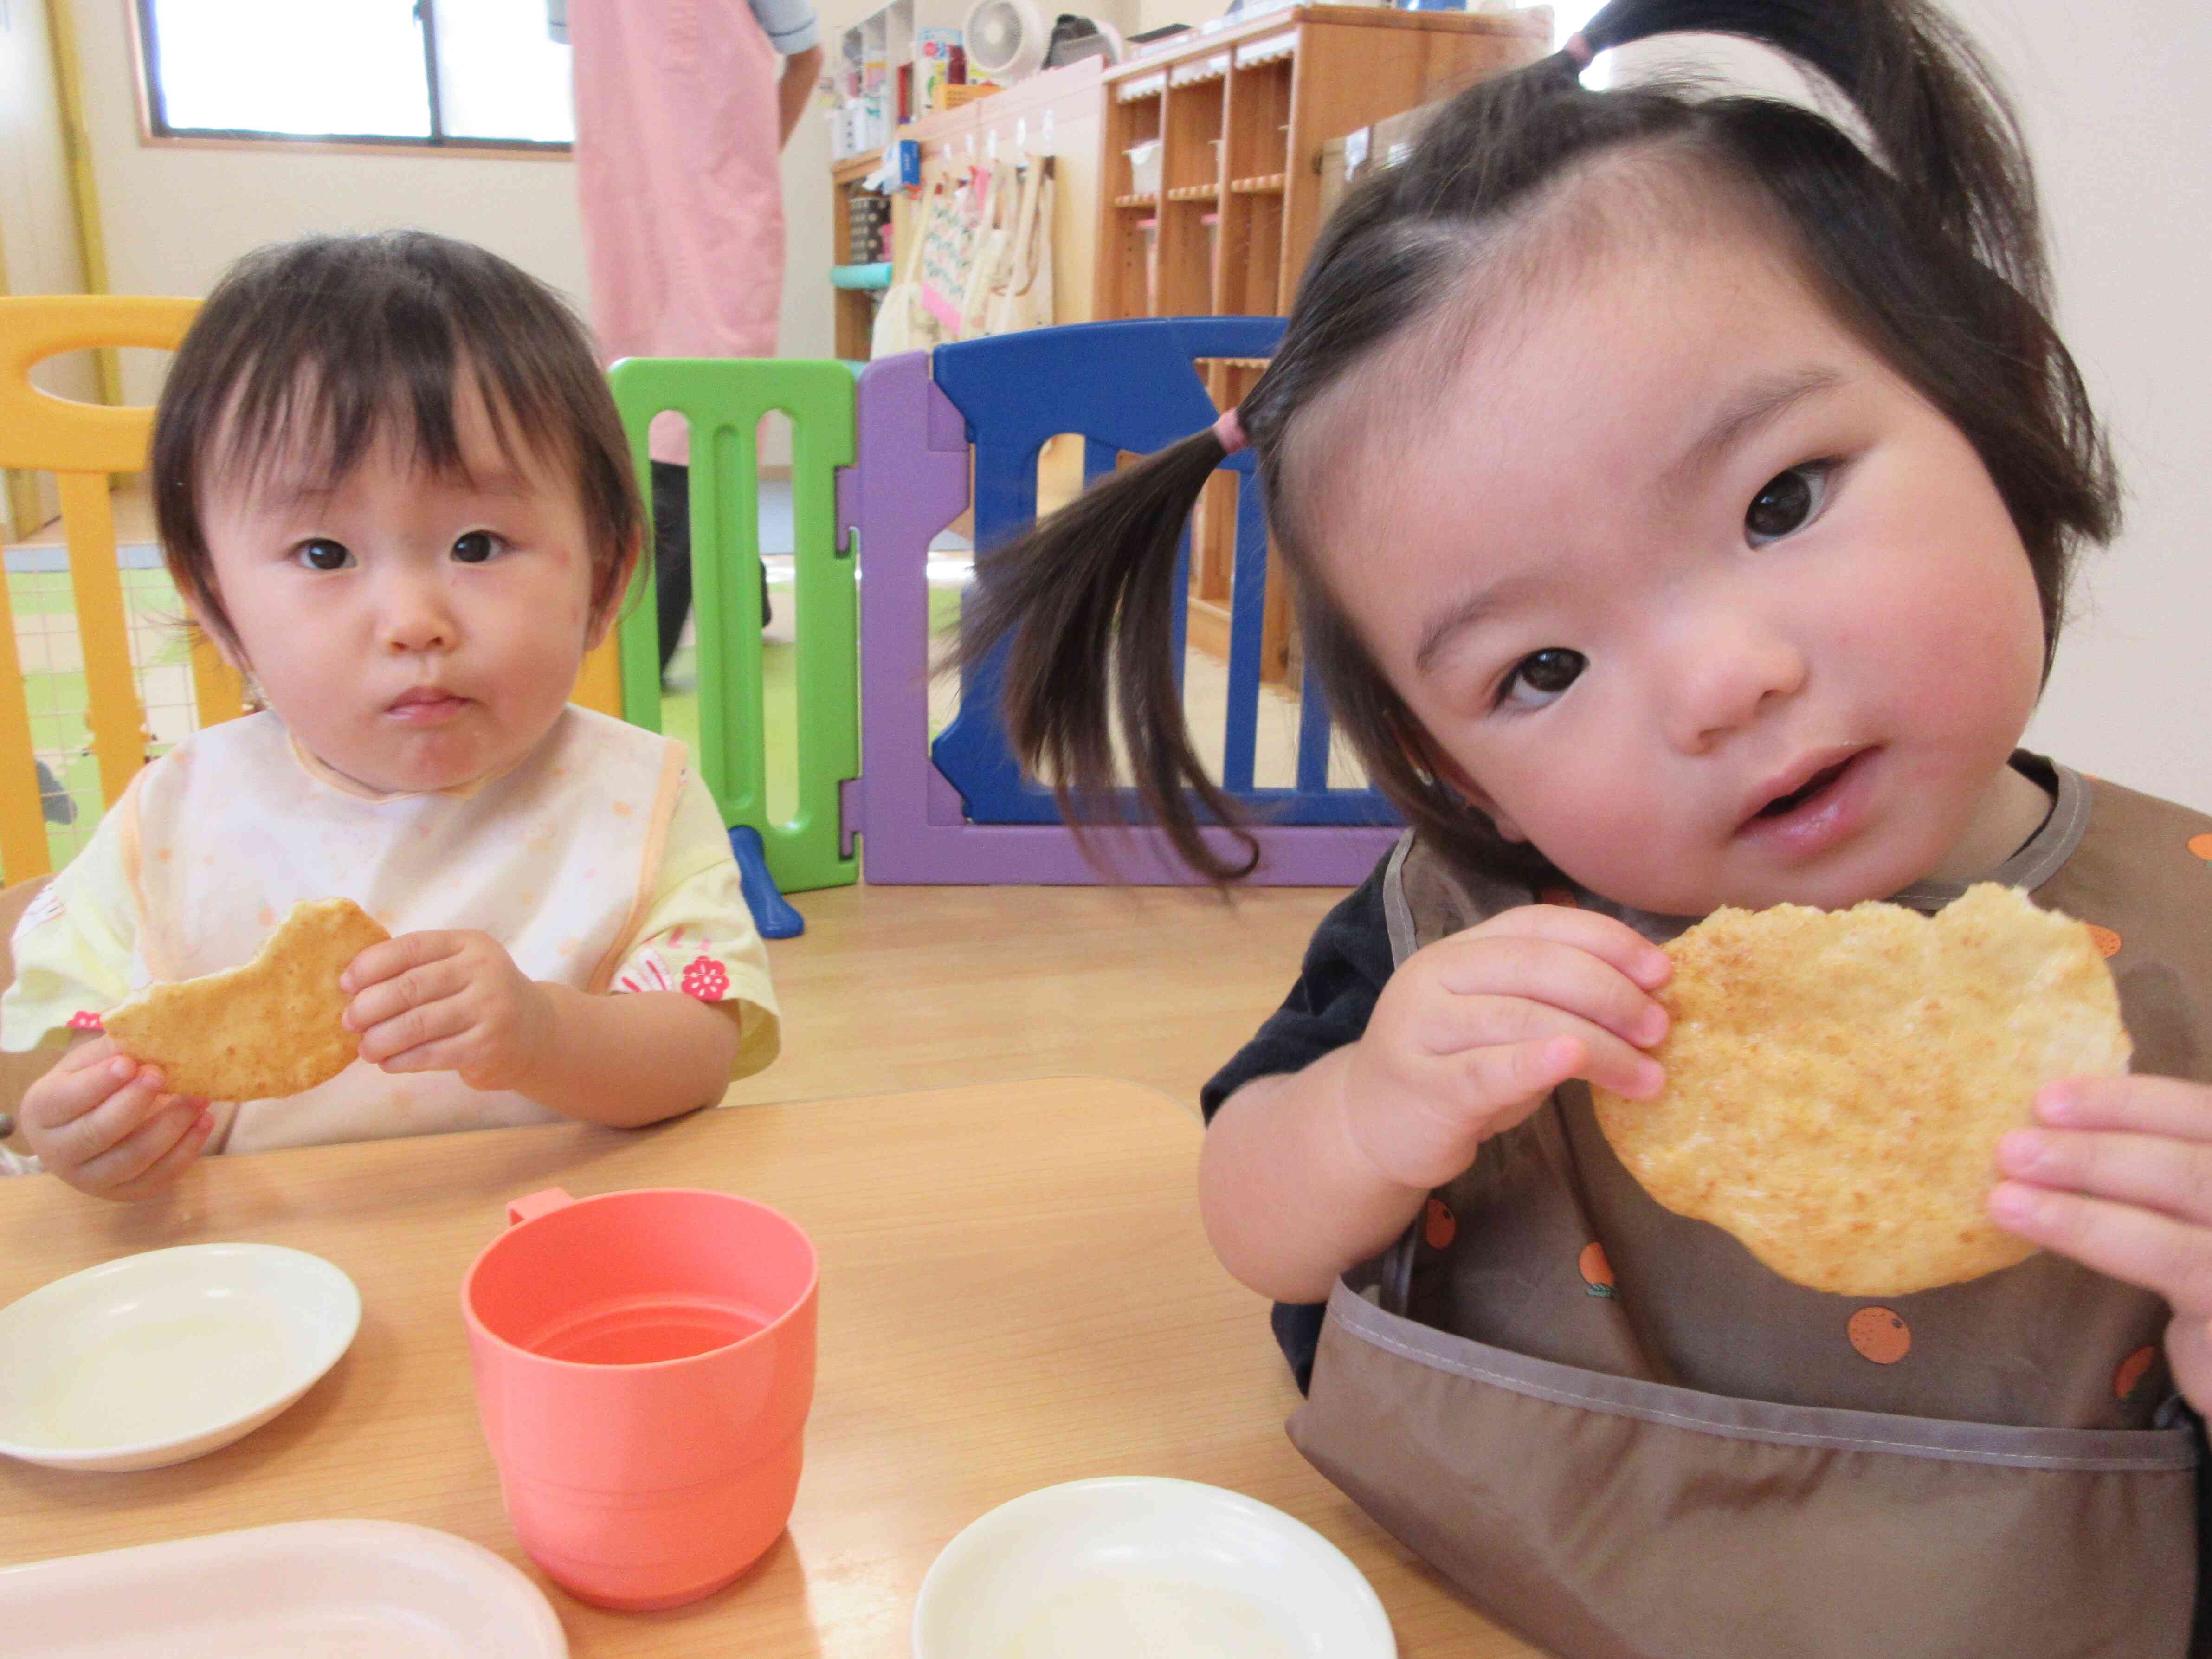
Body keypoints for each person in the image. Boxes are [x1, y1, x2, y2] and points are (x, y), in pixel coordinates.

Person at [957, 0, 2212, 1650]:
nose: (1715, 682)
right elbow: (1241, 1207)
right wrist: (1367, 1111)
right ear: (1454, 766)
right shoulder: (1471, 925)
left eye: (1778, 500)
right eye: (1539, 666)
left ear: (1983, 405)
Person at [0, 232, 779, 1202]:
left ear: (607, 575)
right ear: (216, 605)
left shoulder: (635, 799)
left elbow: (701, 1047)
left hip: (560, 1250)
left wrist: (543, 1034)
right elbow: (45, 1034)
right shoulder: (176, 817)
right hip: (255, 1274)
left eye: (478, 543)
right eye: (325, 555)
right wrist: (68, 1120)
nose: (415, 622)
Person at [562, 0, 826, 681]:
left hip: (718, 207)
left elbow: (807, 58)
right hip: (630, 206)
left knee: (700, 401)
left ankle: (639, 655)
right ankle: (744, 597)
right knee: (640, 388)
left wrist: (744, 169)